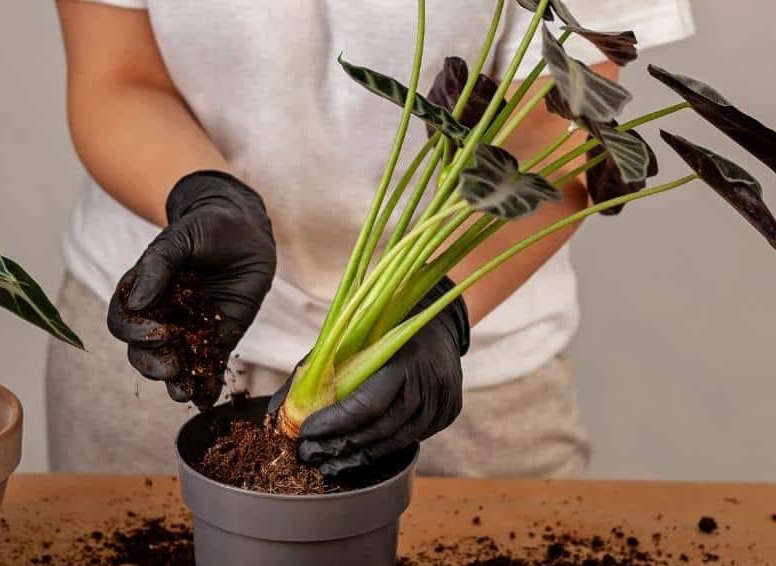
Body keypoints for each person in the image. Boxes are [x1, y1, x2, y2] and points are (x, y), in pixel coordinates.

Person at [48, 1, 695, 476]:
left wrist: (443, 311)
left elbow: (560, 123)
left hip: (465, 373)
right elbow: (118, 75)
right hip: (175, 321)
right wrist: (204, 195)